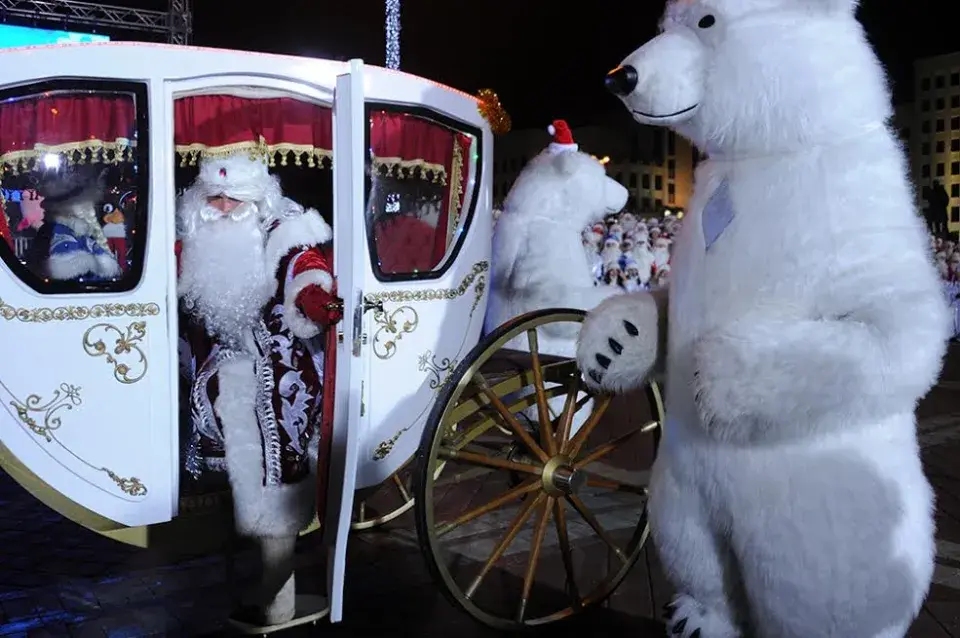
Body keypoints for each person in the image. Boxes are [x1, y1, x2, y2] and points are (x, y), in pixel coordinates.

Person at [175, 150, 341, 629]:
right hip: (225, 368)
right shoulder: (197, 240)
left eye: (234, 200)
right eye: (215, 199)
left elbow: (302, 264)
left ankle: (277, 598)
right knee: (250, 480)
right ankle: (274, 595)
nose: (223, 208)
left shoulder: (281, 231)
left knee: (271, 479)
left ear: (257, 200)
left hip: (279, 371)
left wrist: (314, 297)